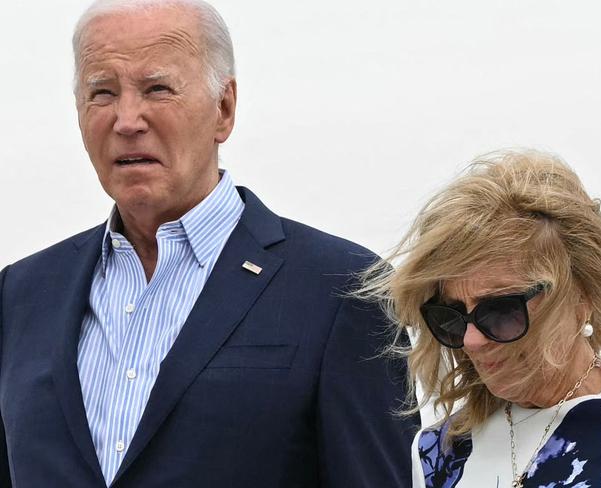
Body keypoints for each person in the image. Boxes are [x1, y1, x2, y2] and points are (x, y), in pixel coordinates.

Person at [0, 1, 418, 486]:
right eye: (102, 93)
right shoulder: (20, 295)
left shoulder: (341, 288)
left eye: (157, 88)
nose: (127, 119)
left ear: (224, 109)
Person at [360, 150, 601, 487]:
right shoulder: (438, 454)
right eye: (450, 316)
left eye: (499, 310)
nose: (471, 340)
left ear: (580, 298)